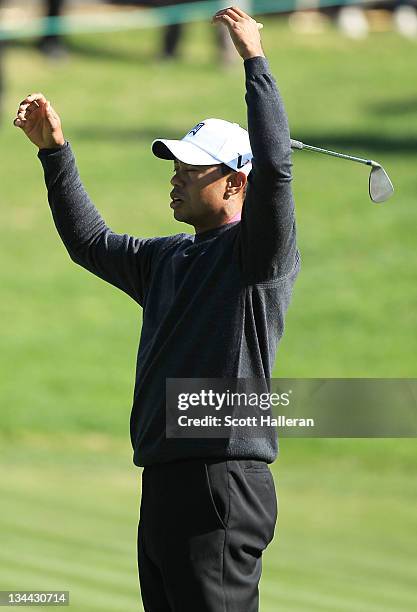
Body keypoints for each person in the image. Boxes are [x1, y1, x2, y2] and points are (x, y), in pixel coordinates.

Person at [13, 6, 299, 611]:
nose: (176, 178)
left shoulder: (258, 255)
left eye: (192, 170)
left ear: (234, 183)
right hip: (167, 478)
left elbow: (277, 168)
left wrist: (255, 62)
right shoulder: (168, 259)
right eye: (175, 166)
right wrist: (55, 153)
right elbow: (90, 242)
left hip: (222, 478)